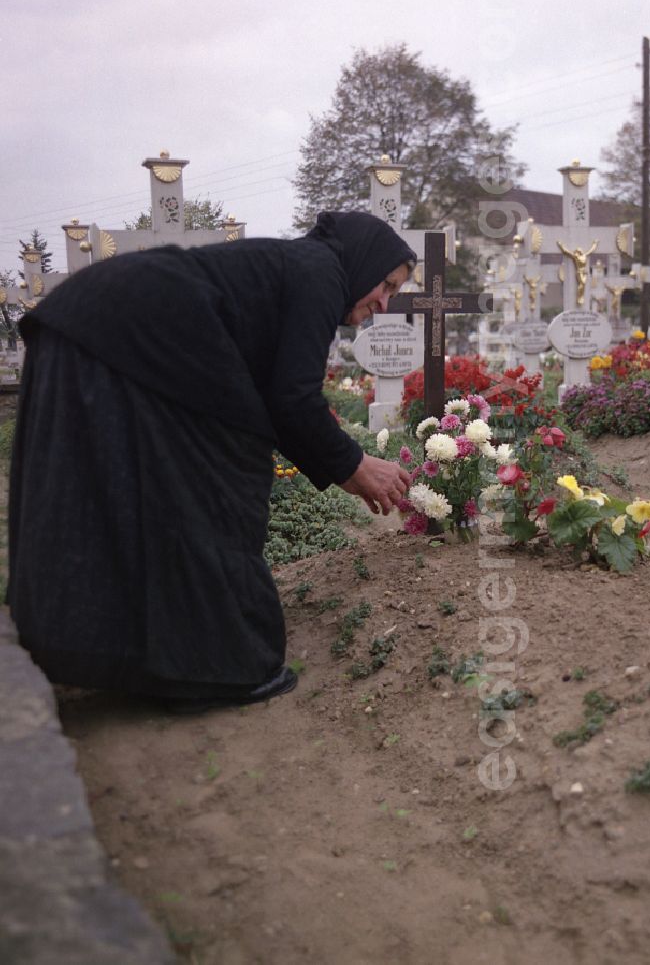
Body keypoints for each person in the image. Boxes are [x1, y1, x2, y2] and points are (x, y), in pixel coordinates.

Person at [7, 211, 415, 712]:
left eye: (394, 293)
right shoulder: (321, 270)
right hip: (124, 333)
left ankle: (135, 658)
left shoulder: (300, 267)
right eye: (387, 284)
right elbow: (292, 400)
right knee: (218, 484)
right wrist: (355, 465)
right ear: (366, 261)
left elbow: (274, 400)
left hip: (96, 327)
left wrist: (344, 467)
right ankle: (216, 668)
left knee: (138, 495)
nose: (384, 302)